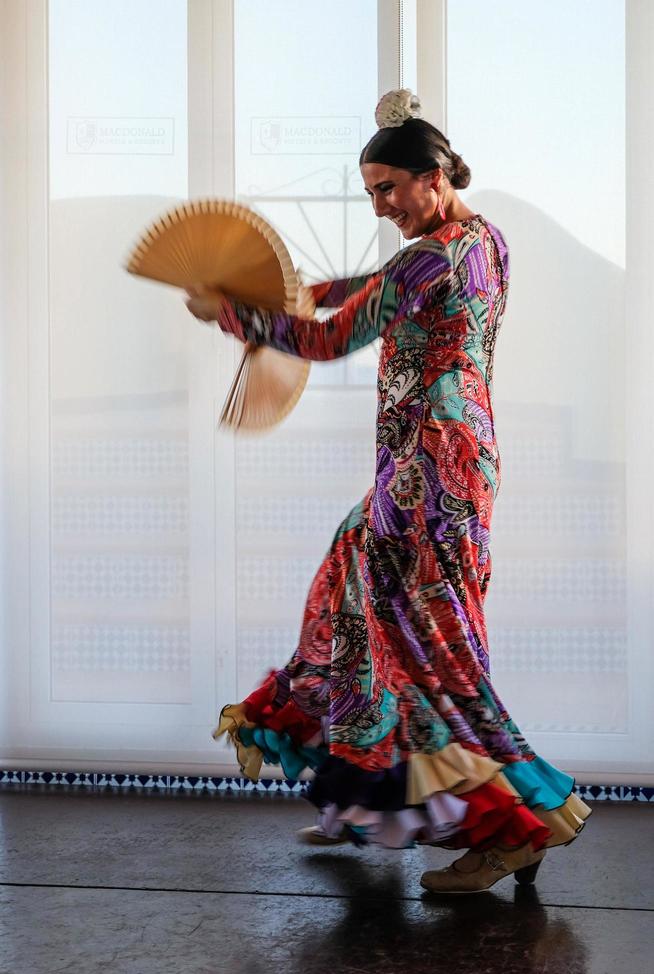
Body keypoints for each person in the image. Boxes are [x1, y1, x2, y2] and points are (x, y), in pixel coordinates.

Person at [185, 89, 591, 894]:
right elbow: (372, 288)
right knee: (351, 594)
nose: (382, 206)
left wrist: (234, 314)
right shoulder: (481, 240)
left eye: (389, 189)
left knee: (431, 646)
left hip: (429, 464)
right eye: (370, 193)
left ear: (433, 175)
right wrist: (315, 288)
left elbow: (332, 338)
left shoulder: (425, 259)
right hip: (451, 454)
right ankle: (367, 799)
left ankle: (516, 827)